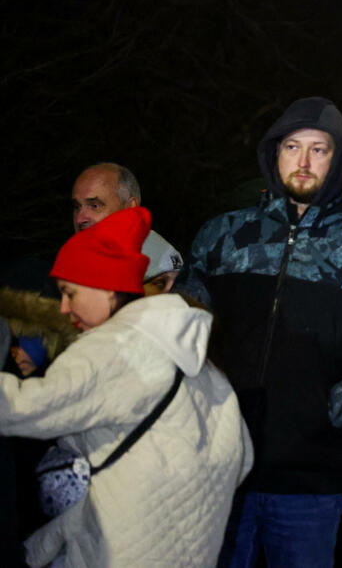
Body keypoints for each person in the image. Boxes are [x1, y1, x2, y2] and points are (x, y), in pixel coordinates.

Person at [184, 96, 342, 566]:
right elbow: (183, 332)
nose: (304, 161)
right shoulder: (224, 237)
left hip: (309, 483)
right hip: (217, 470)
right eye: (292, 147)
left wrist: (328, 410)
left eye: (319, 149)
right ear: (274, 153)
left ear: (337, 159)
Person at [0, 207, 253, 567]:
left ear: (106, 290)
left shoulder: (111, 348)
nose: (64, 308)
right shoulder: (198, 355)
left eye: (70, 292)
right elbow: (242, 457)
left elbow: (21, 408)